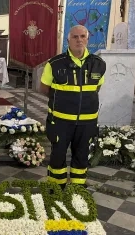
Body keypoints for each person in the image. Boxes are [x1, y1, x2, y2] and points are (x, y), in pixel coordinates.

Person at [39, 25, 106, 189]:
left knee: (82, 156)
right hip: (60, 121)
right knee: (58, 155)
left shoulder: (98, 64)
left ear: (87, 39)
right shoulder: (55, 63)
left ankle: (77, 187)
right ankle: (56, 187)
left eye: (83, 36)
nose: (79, 40)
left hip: (87, 122)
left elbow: (97, 88)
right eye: (75, 37)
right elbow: (44, 88)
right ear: (68, 40)